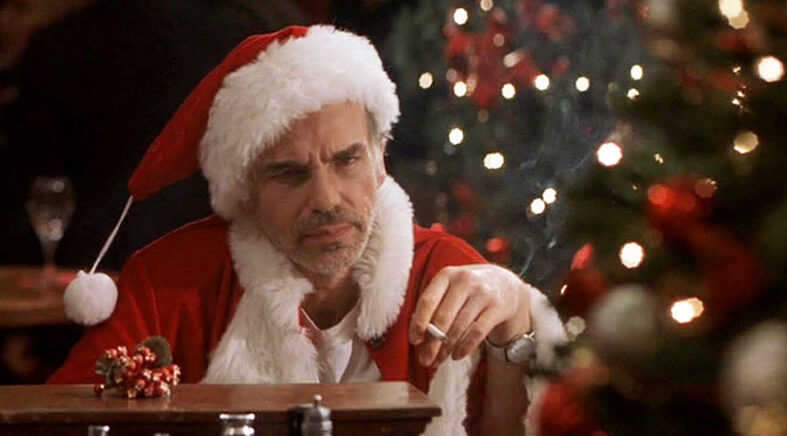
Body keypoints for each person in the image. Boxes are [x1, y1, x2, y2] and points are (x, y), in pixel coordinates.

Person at [47, 25, 567, 436]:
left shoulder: (445, 269)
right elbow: (60, 420)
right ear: (245, 189)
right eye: (291, 174)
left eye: (347, 160)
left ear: (380, 160)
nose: (327, 199)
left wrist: (516, 319)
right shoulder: (169, 281)